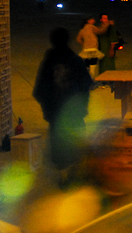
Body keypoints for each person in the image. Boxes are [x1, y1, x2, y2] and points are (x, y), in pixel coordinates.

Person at [33, 27, 94, 182]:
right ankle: (73, 174)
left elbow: (40, 90)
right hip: (73, 113)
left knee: (60, 146)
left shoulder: (49, 62)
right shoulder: (75, 60)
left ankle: (63, 175)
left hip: (56, 114)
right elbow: (85, 86)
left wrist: (48, 109)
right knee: (75, 143)